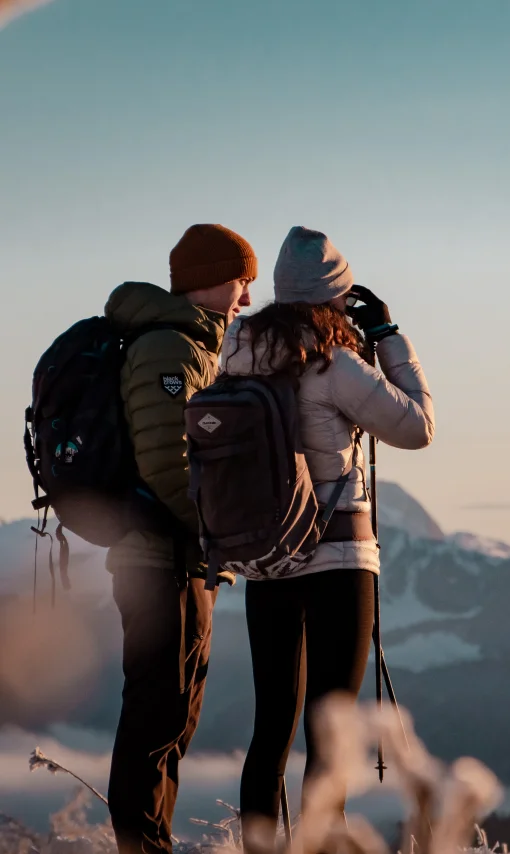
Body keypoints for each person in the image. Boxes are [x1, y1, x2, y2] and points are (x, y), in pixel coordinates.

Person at [219, 226, 435, 848]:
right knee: (331, 730)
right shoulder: (334, 362)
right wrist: (390, 338)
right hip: (338, 559)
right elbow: (417, 426)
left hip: (266, 559)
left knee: (271, 726)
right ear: (332, 298)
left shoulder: (237, 354)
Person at [104, 224, 257, 854]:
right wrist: (218, 537)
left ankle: (150, 841)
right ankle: (142, 846)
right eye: (243, 284)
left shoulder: (188, 343)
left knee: (171, 716)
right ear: (217, 277)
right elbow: (170, 465)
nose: (246, 301)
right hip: (162, 558)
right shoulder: (173, 348)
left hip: (177, 558)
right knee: (156, 717)